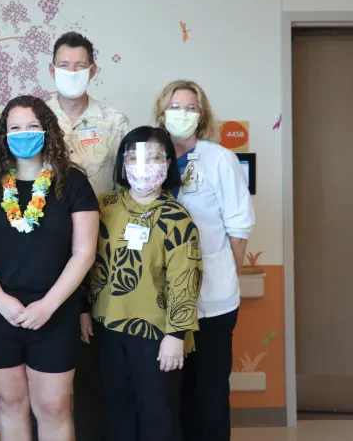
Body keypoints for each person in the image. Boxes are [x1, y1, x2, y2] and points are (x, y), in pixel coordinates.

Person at [0, 95, 99, 441]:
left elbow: (83, 252)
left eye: (32, 126)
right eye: (15, 128)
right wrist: (0, 300)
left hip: (54, 311)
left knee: (53, 406)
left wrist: (48, 305)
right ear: (3, 135)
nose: (24, 134)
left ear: (47, 131)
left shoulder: (74, 183)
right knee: (11, 402)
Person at [153, 80, 255, 441]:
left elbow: (238, 228)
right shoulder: (151, 159)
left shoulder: (219, 159)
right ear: (161, 113)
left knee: (208, 393)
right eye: (175, 106)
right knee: (170, 395)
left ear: (202, 115)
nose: (182, 113)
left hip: (213, 299)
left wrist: (229, 272)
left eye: (190, 107)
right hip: (162, 303)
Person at [87, 126, 203, 441]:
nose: (144, 166)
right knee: (115, 413)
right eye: (135, 157)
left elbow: (185, 279)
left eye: (154, 158)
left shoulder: (177, 218)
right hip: (108, 328)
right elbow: (87, 263)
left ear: (168, 164)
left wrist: (176, 334)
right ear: (123, 164)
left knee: (157, 414)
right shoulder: (104, 206)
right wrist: (84, 312)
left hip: (155, 335)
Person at [46, 31, 129, 441]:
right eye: (65, 65)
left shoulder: (114, 123)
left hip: (101, 254)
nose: (72, 72)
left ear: (93, 70)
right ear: (52, 69)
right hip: (44, 252)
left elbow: (130, 186)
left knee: (95, 359)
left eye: (80, 66)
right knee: (47, 364)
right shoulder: (35, 120)